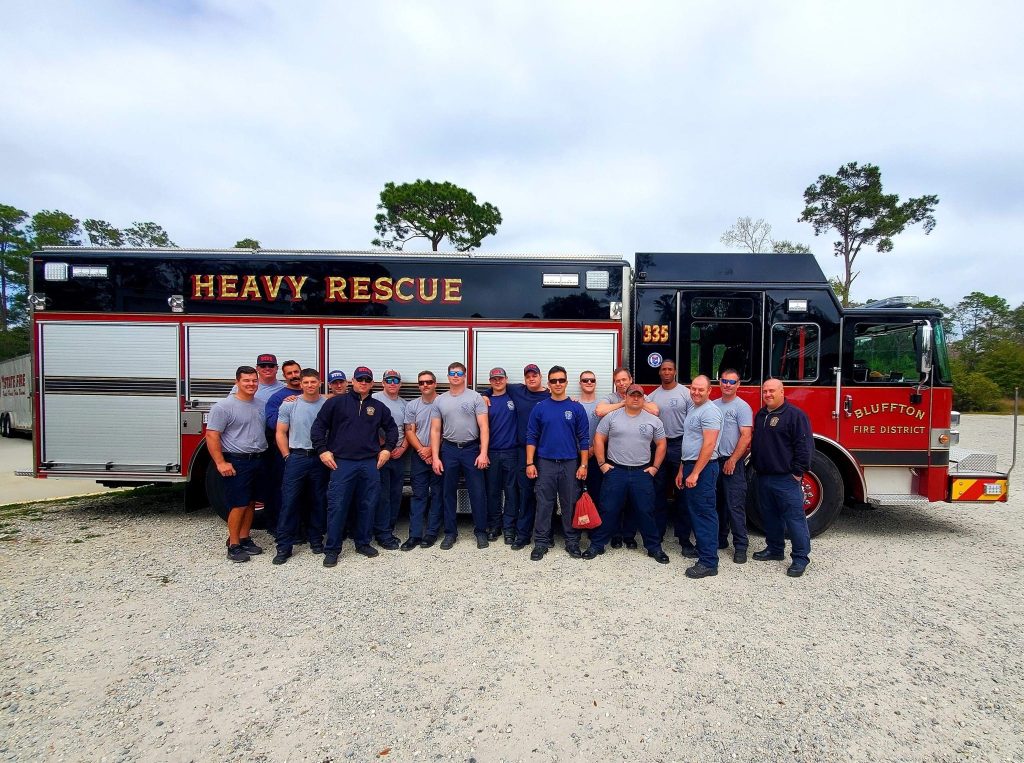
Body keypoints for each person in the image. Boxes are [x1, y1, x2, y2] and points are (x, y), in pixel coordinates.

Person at [311, 365, 398, 568]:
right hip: (342, 463)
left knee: (367, 504)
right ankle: (332, 549)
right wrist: (322, 450)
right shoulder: (336, 403)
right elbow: (318, 427)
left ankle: (363, 543)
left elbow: (392, 429)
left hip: (369, 463)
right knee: (337, 505)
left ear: (372, 383)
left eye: (367, 380)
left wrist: (387, 450)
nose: (363, 383)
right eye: (360, 379)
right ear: (352, 381)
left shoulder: (378, 407)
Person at [584, 384, 669, 564]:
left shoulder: (653, 420)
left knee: (646, 511)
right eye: (632, 395)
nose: (636, 398)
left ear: (643, 398)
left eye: (639, 395)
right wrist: (601, 464)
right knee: (608, 509)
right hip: (616, 471)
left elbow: (661, 444)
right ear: (626, 397)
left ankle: (654, 548)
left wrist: (655, 467)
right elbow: (599, 438)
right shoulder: (612, 417)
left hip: (641, 473)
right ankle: (597, 545)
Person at [525, 366, 590, 560]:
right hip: (545, 463)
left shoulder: (576, 408)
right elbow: (531, 436)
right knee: (544, 503)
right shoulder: (540, 408)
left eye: (561, 380)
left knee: (570, 503)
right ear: (549, 384)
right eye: (554, 381)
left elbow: (584, 438)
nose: (558, 384)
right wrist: (530, 463)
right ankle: (542, 543)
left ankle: (572, 542)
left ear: (567, 382)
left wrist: (583, 465)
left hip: (570, 463)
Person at [750, 378, 813, 577]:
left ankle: (800, 558)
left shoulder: (795, 416)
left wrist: (797, 472)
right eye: (765, 391)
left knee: (794, 519)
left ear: (782, 392)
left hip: (786, 478)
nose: (767, 394)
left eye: (771, 391)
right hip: (764, 476)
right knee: (770, 517)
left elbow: (804, 447)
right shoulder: (761, 415)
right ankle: (775, 549)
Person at [484, 363, 550, 550]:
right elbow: (494, 387)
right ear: (524, 379)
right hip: (521, 451)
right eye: (528, 376)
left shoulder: (550, 394)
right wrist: (484, 394)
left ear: (540, 377)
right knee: (524, 493)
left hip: (545, 452)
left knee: (547, 493)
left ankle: (547, 533)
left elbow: (563, 400)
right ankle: (521, 534)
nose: (531, 378)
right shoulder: (517, 390)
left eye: (534, 375)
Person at [206, 366, 268, 562]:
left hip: (258, 459)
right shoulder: (223, 406)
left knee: (251, 502)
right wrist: (220, 462)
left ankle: (244, 537)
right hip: (237, 460)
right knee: (238, 504)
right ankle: (233, 545)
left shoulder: (260, 404)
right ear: (237, 382)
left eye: (254, 381)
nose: (251, 384)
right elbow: (212, 435)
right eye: (246, 381)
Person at [595, 367, 659, 548]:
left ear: (631, 379)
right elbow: (600, 411)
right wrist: (624, 403)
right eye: (618, 381)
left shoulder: (641, 396)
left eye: (625, 380)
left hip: (639, 465)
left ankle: (629, 536)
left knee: (636, 504)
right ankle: (614, 536)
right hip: (616, 462)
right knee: (612, 504)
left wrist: (634, 401)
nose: (622, 383)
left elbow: (654, 411)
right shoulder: (611, 397)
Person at [430, 361, 490, 549]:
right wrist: (436, 457)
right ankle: (450, 533)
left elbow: (484, 427)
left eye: (459, 373)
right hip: (449, 450)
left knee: (478, 492)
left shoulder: (475, 398)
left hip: (471, 450)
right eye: (452, 373)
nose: (455, 376)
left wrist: (483, 453)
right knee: (448, 493)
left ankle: (481, 532)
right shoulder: (439, 400)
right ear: (447, 376)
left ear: (465, 376)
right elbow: (435, 430)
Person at [272, 369, 328, 565]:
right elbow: (280, 432)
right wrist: (287, 455)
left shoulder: (327, 404)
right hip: (297, 457)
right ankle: (284, 546)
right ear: (301, 384)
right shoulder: (290, 405)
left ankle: (316, 540)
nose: (310, 385)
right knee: (289, 502)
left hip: (320, 458)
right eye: (306, 382)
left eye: (313, 382)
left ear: (319, 383)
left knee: (318, 501)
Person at [675, 375, 723, 579]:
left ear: (709, 391)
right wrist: (682, 469)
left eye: (700, 389)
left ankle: (709, 562)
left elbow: (709, 445)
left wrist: (695, 472)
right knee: (696, 512)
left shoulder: (710, 411)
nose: (695, 392)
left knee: (704, 514)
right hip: (690, 465)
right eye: (693, 388)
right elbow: (690, 441)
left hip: (702, 469)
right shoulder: (695, 409)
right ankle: (705, 552)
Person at [646, 358, 695, 554]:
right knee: (658, 493)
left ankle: (684, 539)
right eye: (663, 369)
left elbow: (692, 424)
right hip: (659, 446)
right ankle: (656, 536)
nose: (666, 372)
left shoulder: (686, 394)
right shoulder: (652, 396)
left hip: (680, 445)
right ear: (659, 373)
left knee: (682, 493)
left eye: (669, 369)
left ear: (674, 372)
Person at [714, 368, 753, 564]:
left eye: (732, 382)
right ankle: (720, 540)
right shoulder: (712, 405)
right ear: (719, 382)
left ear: (738, 385)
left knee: (734, 505)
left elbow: (746, 436)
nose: (727, 385)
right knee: (717, 504)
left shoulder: (742, 407)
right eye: (724, 381)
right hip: (714, 462)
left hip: (732, 462)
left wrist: (733, 460)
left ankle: (740, 546)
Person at [402, 370, 443, 550]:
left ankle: (432, 533)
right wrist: (422, 450)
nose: (425, 385)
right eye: (421, 383)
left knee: (437, 494)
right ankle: (415, 535)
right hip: (419, 456)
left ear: (435, 383)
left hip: (440, 455)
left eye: (428, 382)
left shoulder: (444, 402)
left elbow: (448, 429)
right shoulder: (412, 406)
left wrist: (432, 451)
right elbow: (409, 431)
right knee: (418, 495)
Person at [372, 369, 409, 550]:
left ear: (400, 383)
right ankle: (382, 532)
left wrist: (402, 448)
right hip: (380, 454)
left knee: (396, 493)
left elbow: (409, 429)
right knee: (382, 494)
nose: (392, 383)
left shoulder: (404, 404)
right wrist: (384, 446)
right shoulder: (375, 399)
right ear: (382, 382)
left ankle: (389, 527)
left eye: (396, 380)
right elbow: (369, 426)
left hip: (399, 455)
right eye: (389, 380)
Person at [484, 367, 520, 545]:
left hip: (512, 453)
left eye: (500, 378)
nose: (497, 381)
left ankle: (509, 528)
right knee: (492, 492)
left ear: (506, 379)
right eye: (494, 379)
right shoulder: (485, 401)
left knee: (511, 492)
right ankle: (494, 526)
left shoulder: (515, 397)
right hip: (491, 453)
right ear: (490, 381)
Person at [574, 370, 603, 510]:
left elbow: (607, 431)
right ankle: (577, 525)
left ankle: (594, 528)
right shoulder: (573, 404)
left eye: (592, 380)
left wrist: (593, 449)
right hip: (575, 455)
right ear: (580, 383)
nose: (589, 382)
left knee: (596, 491)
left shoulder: (602, 406)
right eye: (585, 380)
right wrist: (581, 450)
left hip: (596, 455)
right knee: (575, 493)